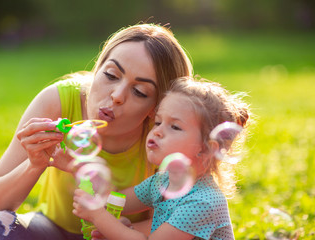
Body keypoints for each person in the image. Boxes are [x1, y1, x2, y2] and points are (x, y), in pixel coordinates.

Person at [0, 23, 193, 240]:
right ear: (97, 69)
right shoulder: (59, 101)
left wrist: (116, 229)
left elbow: (173, 225)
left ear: (157, 108)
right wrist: (34, 164)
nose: (116, 96)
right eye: (111, 75)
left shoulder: (164, 133)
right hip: (52, 229)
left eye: (140, 91)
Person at [73, 76, 251, 240]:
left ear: (206, 149)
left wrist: (99, 216)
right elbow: (114, 201)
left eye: (174, 126)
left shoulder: (203, 202)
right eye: (158, 122)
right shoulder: (161, 182)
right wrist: (75, 170)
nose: (157, 131)